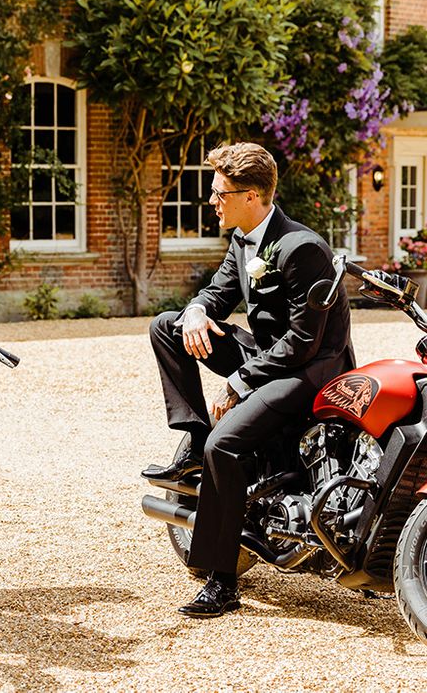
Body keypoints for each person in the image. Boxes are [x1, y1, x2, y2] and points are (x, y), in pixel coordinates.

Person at [142, 143, 355, 618]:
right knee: (167, 325)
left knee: (228, 446)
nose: (212, 201)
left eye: (220, 193)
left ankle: (222, 582)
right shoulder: (243, 239)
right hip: (269, 357)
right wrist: (196, 311)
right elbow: (216, 294)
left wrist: (239, 381)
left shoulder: (303, 248)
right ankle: (196, 439)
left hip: (311, 372)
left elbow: (303, 341)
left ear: (253, 195)